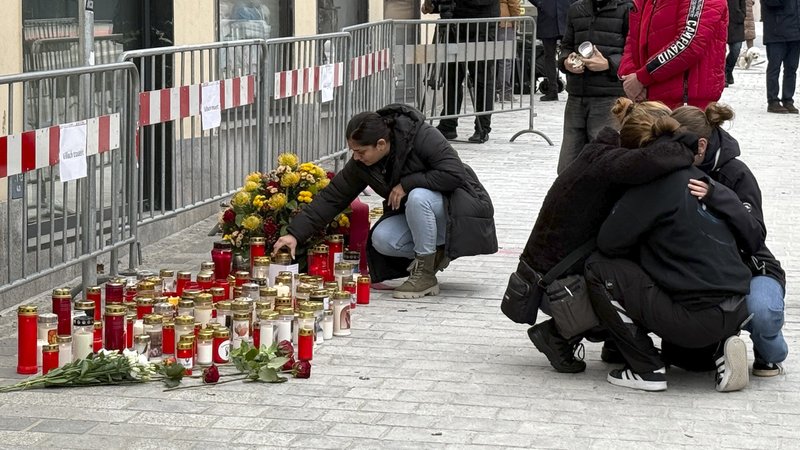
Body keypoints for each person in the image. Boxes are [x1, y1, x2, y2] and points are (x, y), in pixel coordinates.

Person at [507, 98, 696, 373]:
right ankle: (557, 335)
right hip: (556, 285)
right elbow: (655, 159)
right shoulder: (610, 161)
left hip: (553, 270)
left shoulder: (604, 151)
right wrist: (688, 143)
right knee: (630, 277)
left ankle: (615, 342)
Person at [583, 114, 752, 392]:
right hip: (736, 306)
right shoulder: (702, 180)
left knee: (599, 267)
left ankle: (646, 368)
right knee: (684, 357)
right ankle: (719, 351)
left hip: (694, 318)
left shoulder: (654, 183)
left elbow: (609, 242)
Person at [273, 104, 498, 299]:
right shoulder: (363, 164)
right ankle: (437, 252)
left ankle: (425, 274)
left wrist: (408, 183)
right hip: (420, 215)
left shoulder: (422, 136)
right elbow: (333, 197)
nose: (356, 157)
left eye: (360, 152)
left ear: (381, 144)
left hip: (459, 208)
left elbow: (455, 174)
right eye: (353, 152)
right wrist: (295, 234)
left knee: (419, 197)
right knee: (383, 239)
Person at [671, 103, 787, 376]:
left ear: (701, 145)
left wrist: (718, 196)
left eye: (678, 146)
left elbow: (755, 237)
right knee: (690, 362)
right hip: (702, 275)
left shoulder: (736, 174)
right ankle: (718, 344)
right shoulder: (673, 170)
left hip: (750, 268)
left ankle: (770, 351)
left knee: (763, 311)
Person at [555, 0, 633, 173]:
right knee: (567, 167)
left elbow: (634, 52)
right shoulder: (576, 8)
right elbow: (567, 45)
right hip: (576, 96)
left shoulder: (628, 8)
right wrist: (566, 62)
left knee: (604, 164)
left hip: (609, 98)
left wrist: (608, 64)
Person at [617, 0, 728, 108]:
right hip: (647, 98)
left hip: (685, 105)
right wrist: (631, 77)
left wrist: (642, 78)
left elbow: (689, 43)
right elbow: (633, 40)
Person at [423, 0, 500, 143]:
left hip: (482, 25)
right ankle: (448, 124)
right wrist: (434, 4)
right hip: (455, 23)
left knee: (481, 77)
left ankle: (482, 127)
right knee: (451, 77)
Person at [761, 0, 800, 114]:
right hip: (776, 32)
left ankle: (788, 100)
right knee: (774, 67)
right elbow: (772, 3)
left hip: (795, 32)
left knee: (792, 68)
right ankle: (773, 101)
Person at [531, 0, 574, 101]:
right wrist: (540, 3)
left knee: (569, 54)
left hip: (566, 13)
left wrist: (573, 4)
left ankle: (572, 90)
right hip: (548, 17)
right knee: (549, 56)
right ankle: (552, 90)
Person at [496, 0, 522, 102]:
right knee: (505, 59)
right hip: (504, 22)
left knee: (490, 58)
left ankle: (490, 92)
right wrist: (516, 22)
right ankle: (505, 92)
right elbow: (513, 4)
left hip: (488, 21)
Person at [725, 0, 747, 87]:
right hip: (722, 23)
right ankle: (723, 76)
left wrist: (741, 14)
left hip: (737, 25)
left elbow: (743, 5)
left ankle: (728, 70)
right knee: (720, 53)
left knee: (735, 50)